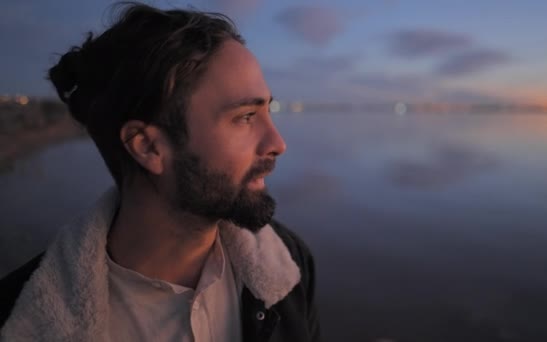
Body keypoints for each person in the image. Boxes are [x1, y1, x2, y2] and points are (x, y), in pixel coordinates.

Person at [0, 3, 320, 342]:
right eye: (245, 117)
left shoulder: (288, 263)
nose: (278, 143)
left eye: (267, 111)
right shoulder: (19, 319)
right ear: (148, 147)